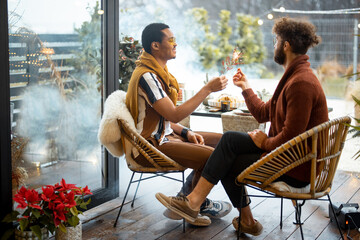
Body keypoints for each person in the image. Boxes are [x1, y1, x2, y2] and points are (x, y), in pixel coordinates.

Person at [155, 17, 328, 236]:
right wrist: (246, 87)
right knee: (229, 141)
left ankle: (199, 203)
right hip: (290, 158)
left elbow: (290, 139)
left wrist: (265, 142)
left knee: (227, 158)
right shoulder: (294, 76)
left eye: (276, 40)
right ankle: (204, 204)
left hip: (295, 167)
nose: (273, 45)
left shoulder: (301, 82)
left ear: (286, 45)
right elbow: (265, 113)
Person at [125, 23, 231, 226]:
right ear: (155, 45)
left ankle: (186, 198)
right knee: (213, 157)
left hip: (164, 135)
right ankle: (196, 203)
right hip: (149, 145)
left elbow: (163, 118)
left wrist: (186, 131)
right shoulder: (147, 76)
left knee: (224, 142)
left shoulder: (159, 73)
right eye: (171, 40)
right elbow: (173, 113)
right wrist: (207, 89)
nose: (176, 44)